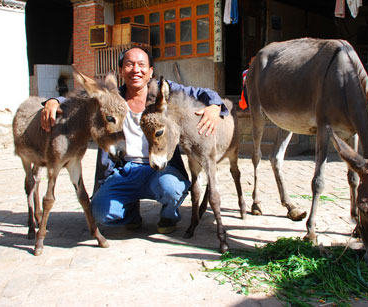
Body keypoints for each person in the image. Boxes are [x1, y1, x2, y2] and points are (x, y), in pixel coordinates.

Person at [41, 47, 228, 234]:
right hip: (124, 169)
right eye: (129, 65)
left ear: (151, 71)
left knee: (172, 189)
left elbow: (201, 92)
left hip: (161, 168)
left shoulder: (163, 92)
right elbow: (83, 98)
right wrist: (54, 101)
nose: (135, 70)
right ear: (122, 71)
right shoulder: (112, 97)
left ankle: (169, 214)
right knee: (100, 212)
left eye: (141, 65)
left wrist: (215, 105)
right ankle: (131, 213)